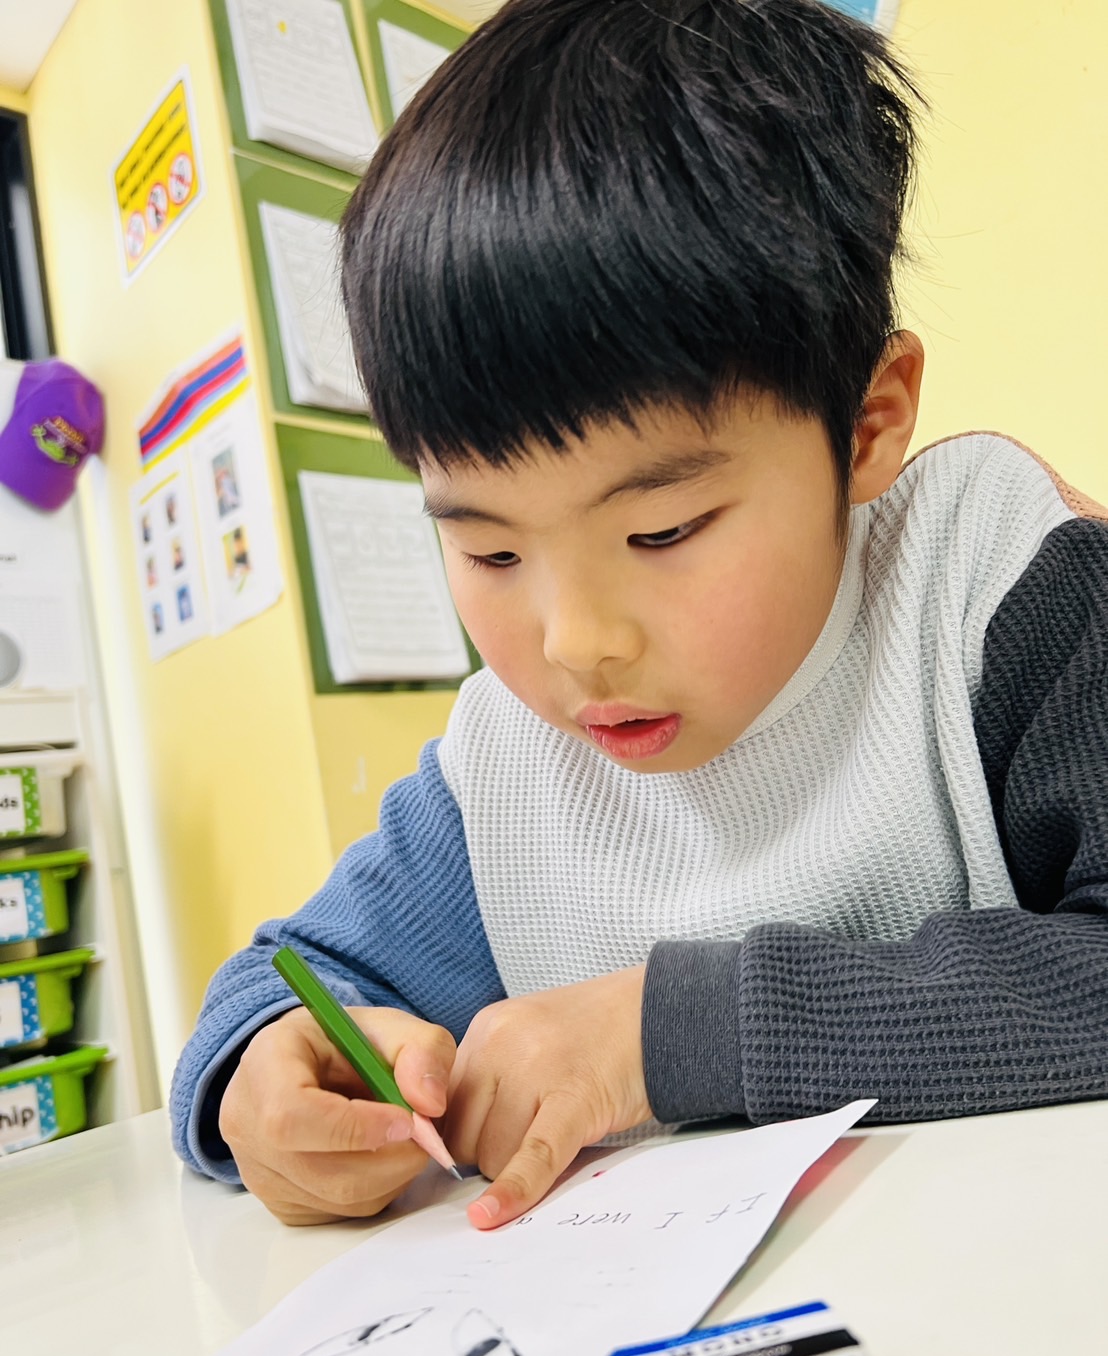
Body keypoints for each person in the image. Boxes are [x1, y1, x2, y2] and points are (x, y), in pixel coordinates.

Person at [170, 0, 1108, 1229]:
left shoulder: (995, 587)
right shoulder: (505, 771)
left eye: (661, 532)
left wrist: (664, 1035)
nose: (575, 642)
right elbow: (292, 976)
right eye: (490, 548)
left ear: (867, 424)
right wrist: (269, 1073)